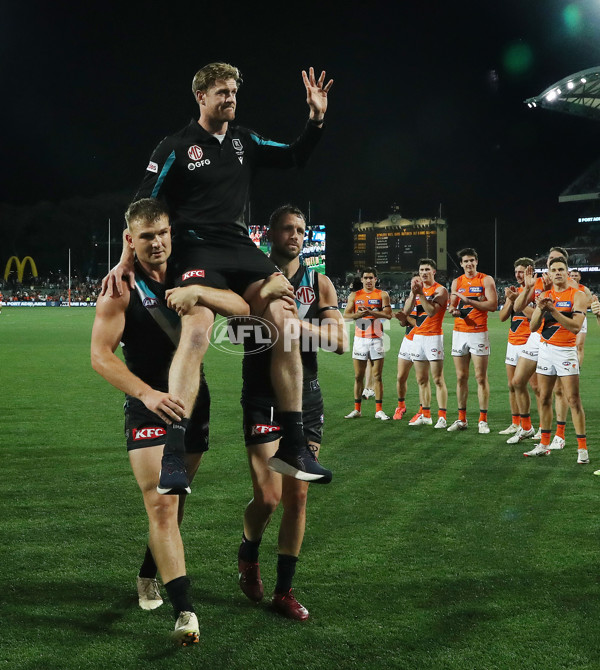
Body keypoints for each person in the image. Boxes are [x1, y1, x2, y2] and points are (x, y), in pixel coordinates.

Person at [106, 63, 334, 489]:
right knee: (197, 328)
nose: (230, 99)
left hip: (237, 244)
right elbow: (141, 206)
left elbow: (294, 155)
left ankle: (294, 443)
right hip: (194, 247)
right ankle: (173, 452)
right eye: (222, 93)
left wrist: (316, 118)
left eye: (233, 92)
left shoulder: (245, 140)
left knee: (284, 322)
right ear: (201, 97)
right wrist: (124, 259)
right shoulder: (174, 147)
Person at [91, 198, 251, 644]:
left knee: (175, 505)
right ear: (131, 241)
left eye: (162, 232)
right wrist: (145, 393)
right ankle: (185, 612)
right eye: (145, 237)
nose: (157, 242)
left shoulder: (192, 268)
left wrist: (200, 293)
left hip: (192, 402)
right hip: (146, 404)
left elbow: (240, 306)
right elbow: (99, 356)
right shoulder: (119, 287)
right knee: (160, 503)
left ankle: (148, 570)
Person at [237, 205, 346, 620]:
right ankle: (248, 552)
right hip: (262, 395)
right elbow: (236, 332)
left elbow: (338, 341)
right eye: (287, 228)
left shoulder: (319, 284)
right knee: (268, 497)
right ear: (271, 234)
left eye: (301, 229)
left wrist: (297, 329)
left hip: (307, 398)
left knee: (297, 497)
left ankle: (284, 591)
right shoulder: (252, 278)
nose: (296, 235)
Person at [524, 256, 589, 463]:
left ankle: (582, 449)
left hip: (565, 352)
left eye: (562, 269)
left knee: (573, 400)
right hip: (545, 349)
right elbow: (533, 326)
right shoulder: (545, 295)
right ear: (549, 274)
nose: (558, 272)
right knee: (544, 397)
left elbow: (576, 326)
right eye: (554, 270)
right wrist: (541, 308)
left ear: (567, 273)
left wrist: (553, 310)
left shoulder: (577, 296)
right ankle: (544, 443)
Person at [447, 248, 498, 433]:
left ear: (476, 261)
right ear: (461, 264)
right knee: (461, 377)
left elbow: (492, 305)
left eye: (471, 260)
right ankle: (462, 419)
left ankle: (483, 420)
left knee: (480, 377)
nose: (468, 264)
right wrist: (454, 310)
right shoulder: (456, 282)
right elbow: (453, 306)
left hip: (478, 332)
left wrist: (469, 301)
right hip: (459, 332)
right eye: (465, 261)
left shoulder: (486, 279)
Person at [497, 257, 541, 442]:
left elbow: (538, 316)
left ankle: (541, 428)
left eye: (521, 271)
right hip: (512, 341)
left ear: (530, 271)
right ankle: (518, 424)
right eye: (516, 271)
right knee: (512, 385)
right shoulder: (516, 291)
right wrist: (510, 300)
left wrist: (519, 303)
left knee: (536, 387)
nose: (518, 275)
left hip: (529, 340)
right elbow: (501, 316)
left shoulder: (536, 289)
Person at [402, 259, 448, 428]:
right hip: (418, 337)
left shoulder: (441, 290)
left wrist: (420, 293)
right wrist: (413, 294)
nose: (424, 272)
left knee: (437, 379)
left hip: (433, 337)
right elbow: (406, 311)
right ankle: (426, 415)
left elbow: (431, 312)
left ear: (433, 272)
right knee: (421, 379)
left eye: (427, 269)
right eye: (421, 270)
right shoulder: (416, 290)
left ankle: (442, 416)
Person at [343, 267, 392, 419]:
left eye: (371, 277)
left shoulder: (382, 294)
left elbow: (388, 315)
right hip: (360, 339)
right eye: (366, 277)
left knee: (377, 376)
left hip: (377, 338)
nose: (369, 280)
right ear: (362, 279)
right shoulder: (355, 295)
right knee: (358, 376)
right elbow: (346, 316)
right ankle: (357, 410)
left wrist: (371, 312)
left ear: (376, 279)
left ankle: (379, 410)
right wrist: (360, 314)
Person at [393, 302, 419, 421]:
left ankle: (422, 410)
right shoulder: (410, 301)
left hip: (422, 341)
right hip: (407, 341)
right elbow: (404, 324)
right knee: (401, 377)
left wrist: (405, 316)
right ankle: (401, 406)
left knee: (421, 379)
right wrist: (402, 319)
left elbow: (421, 324)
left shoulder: (427, 300)